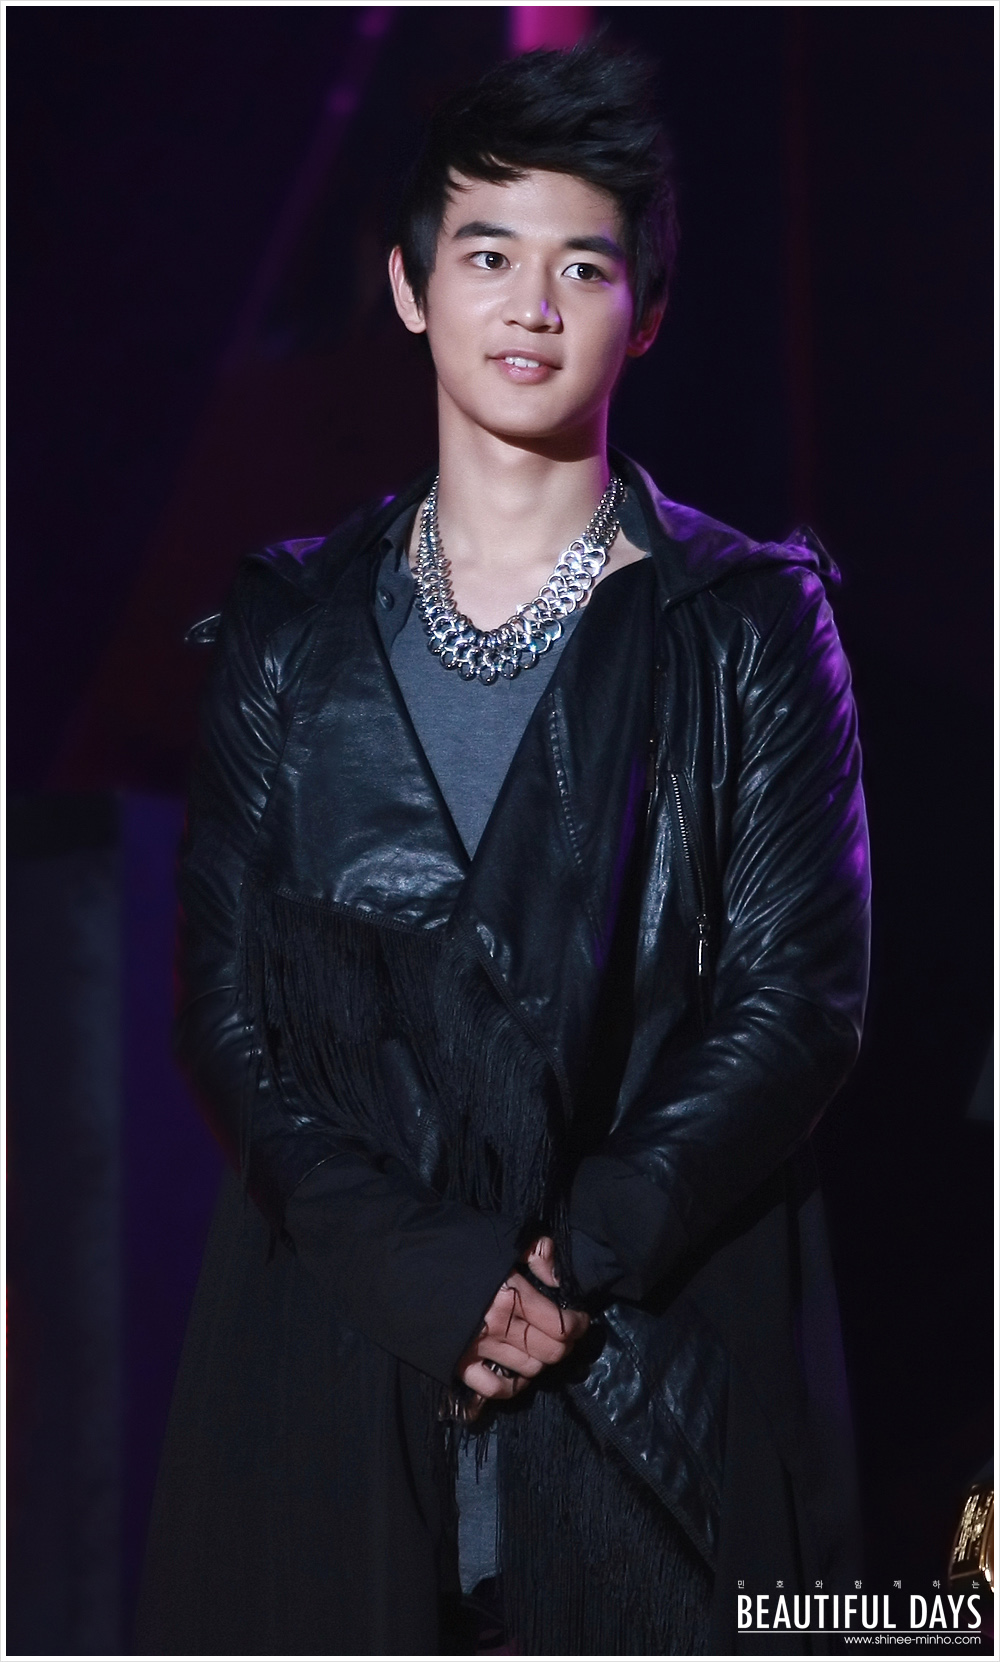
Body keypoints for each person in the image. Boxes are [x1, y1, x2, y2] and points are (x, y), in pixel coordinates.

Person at [137, 42, 870, 1657]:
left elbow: (797, 1000)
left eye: (582, 266)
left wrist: (562, 1264)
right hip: (337, 1377)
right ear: (410, 288)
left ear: (646, 310)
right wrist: (425, 1271)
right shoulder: (289, 631)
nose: (532, 305)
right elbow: (227, 1012)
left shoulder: (746, 625)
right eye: (487, 254)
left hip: (643, 1384)